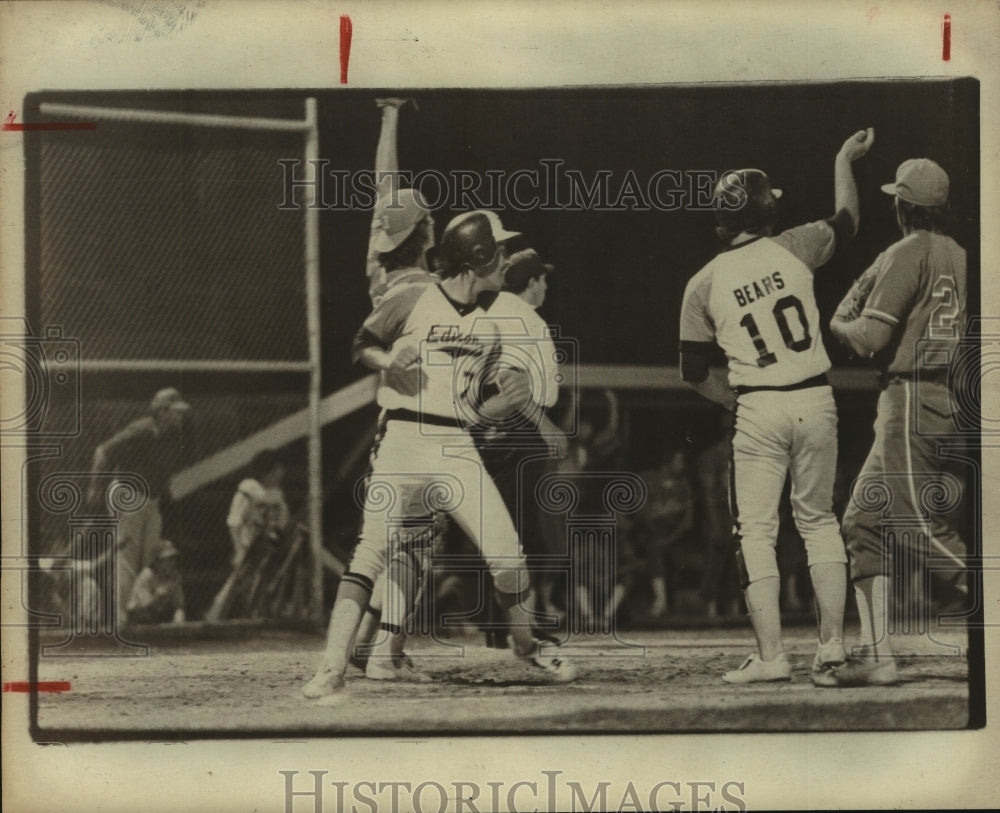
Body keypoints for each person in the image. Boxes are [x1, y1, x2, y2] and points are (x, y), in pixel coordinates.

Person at [302, 209, 577, 701]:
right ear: (477, 256)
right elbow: (362, 342)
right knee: (372, 549)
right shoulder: (414, 295)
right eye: (499, 250)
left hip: (456, 445)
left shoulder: (495, 313)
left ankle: (526, 645)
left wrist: (510, 400)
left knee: (508, 556)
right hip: (404, 439)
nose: (506, 259)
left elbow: (489, 394)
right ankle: (330, 668)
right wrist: (388, 359)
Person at [678, 128, 874, 684]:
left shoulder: (703, 282)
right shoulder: (795, 246)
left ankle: (770, 658)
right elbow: (848, 220)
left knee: (757, 533)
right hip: (815, 396)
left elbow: (693, 372)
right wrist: (842, 159)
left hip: (759, 405)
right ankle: (832, 646)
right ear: (766, 210)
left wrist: (735, 404)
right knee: (818, 522)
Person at [829, 157, 967, 686]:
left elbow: (870, 338)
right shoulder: (958, 252)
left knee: (914, 524)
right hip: (942, 393)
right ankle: (878, 654)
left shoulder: (906, 251)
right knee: (863, 521)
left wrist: (837, 323)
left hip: (910, 396)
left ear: (902, 206)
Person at [471, 247, 567, 646]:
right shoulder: (516, 316)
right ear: (531, 283)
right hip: (516, 427)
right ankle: (507, 628)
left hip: (509, 425)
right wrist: (545, 425)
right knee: (515, 529)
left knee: (509, 526)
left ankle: (507, 625)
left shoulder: (508, 313)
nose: (545, 285)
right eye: (541, 278)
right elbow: (508, 378)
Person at [87, 387, 190, 627]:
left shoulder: (172, 437)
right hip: (127, 494)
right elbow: (103, 452)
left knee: (150, 556)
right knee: (127, 558)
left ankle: (138, 614)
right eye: (175, 412)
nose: (179, 417)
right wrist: (95, 488)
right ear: (161, 411)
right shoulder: (142, 429)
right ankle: (120, 621)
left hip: (150, 499)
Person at [204, 448, 290, 622]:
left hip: (266, 544)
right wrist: (238, 549)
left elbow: (282, 521)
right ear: (268, 472)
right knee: (235, 583)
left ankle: (254, 617)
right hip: (247, 544)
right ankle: (213, 618)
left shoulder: (277, 495)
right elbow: (234, 521)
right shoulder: (247, 491)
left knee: (261, 582)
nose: (281, 474)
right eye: (277, 470)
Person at [635, 448, 694, 618]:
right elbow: (642, 514)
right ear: (668, 462)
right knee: (654, 549)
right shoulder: (648, 479)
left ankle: (667, 604)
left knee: (671, 554)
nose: (682, 466)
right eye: (678, 461)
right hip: (649, 536)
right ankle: (660, 602)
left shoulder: (683, 485)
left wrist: (670, 537)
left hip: (675, 538)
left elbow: (687, 520)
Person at [124, 540, 186, 625]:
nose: (172, 562)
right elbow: (145, 604)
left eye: (173, 558)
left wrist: (178, 624)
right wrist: (157, 596)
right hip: (137, 619)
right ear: (157, 561)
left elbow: (179, 605)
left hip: (156, 619)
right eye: (168, 559)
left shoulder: (175, 576)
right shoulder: (146, 575)